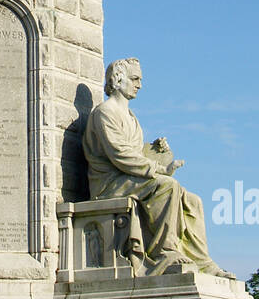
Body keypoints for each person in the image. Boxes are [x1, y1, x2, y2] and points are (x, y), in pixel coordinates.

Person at [82, 58, 235, 278]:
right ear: (118, 79)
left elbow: (133, 152)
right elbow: (119, 154)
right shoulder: (105, 112)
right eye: (135, 79)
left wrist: (155, 151)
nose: (139, 85)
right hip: (109, 183)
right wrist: (159, 169)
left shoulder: (130, 116)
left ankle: (203, 261)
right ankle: (166, 252)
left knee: (193, 201)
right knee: (167, 186)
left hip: (127, 178)